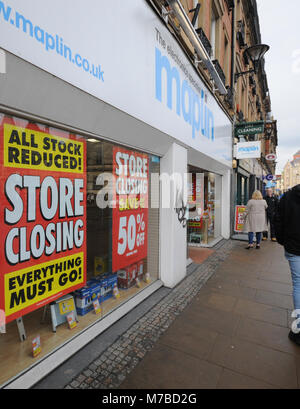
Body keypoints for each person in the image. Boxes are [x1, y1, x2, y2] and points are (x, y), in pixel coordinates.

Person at [274, 185, 300, 345]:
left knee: (298, 285)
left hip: (293, 246)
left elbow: (278, 219)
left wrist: (282, 240)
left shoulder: (288, 196)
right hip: (292, 245)